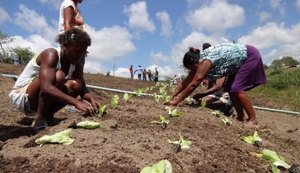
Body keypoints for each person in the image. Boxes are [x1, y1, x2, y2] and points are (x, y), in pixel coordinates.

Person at [9, 28, 99, 132]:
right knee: (59, 76)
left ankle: (47, 116)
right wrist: (76, 102)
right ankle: (39, 119)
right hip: (22, 97)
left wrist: (92, 99)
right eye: (77, 51)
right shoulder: (51, 54)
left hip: (39, 98)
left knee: (76, 85)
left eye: (83, 53)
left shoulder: (76, 63)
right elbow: (46, 87)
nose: (80, 56)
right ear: (65, 45)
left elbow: (82, 89)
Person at [165, 43, 267, 128]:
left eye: (192, 68)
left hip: (249, 56)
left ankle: (253, 120)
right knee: (230, 89)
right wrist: (173, 96)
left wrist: (178, 101)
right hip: (239, 62)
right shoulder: (199, 62)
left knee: (236, 89)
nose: (192, 71)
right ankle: (240, 117)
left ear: (196, 62)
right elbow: (186, 81)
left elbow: (194, 83)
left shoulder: (206, 61)